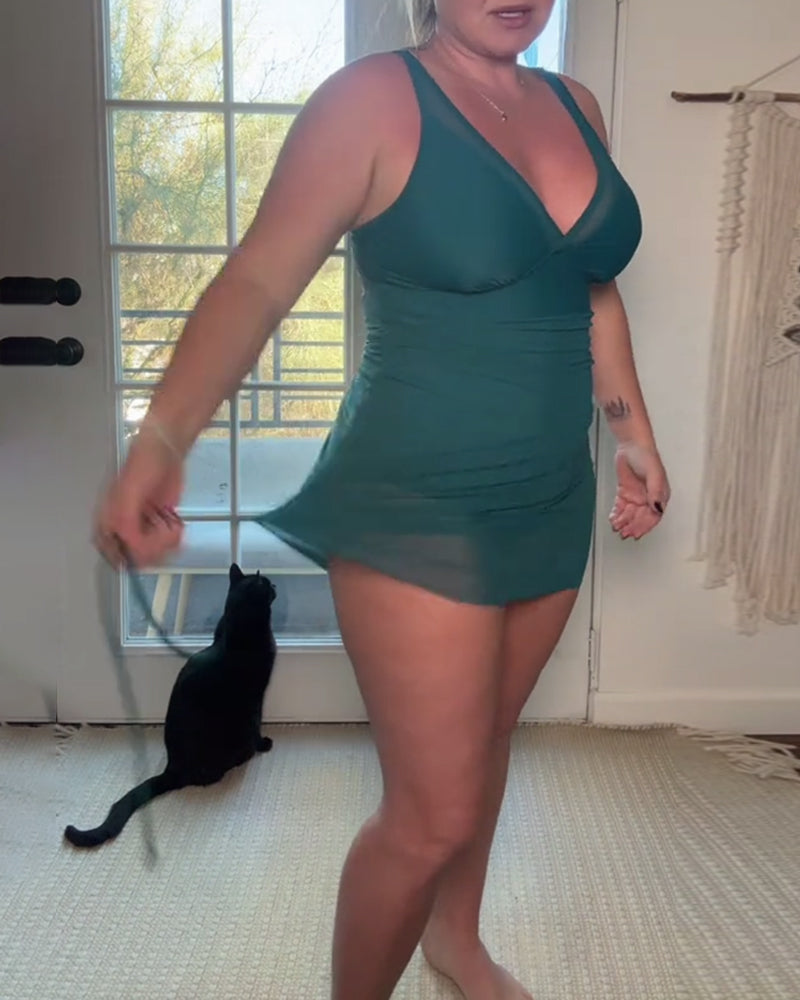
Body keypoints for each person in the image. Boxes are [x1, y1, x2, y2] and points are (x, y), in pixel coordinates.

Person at [95, 0, 670, 997]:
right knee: (429, 814)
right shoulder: (369, 101)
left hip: (549, 490)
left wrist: (630, 430)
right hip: (414, 498)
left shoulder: (575, 103)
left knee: (485, 742)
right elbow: (256, 282)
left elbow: (589, 285)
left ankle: (457, 939)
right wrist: (162, 440)